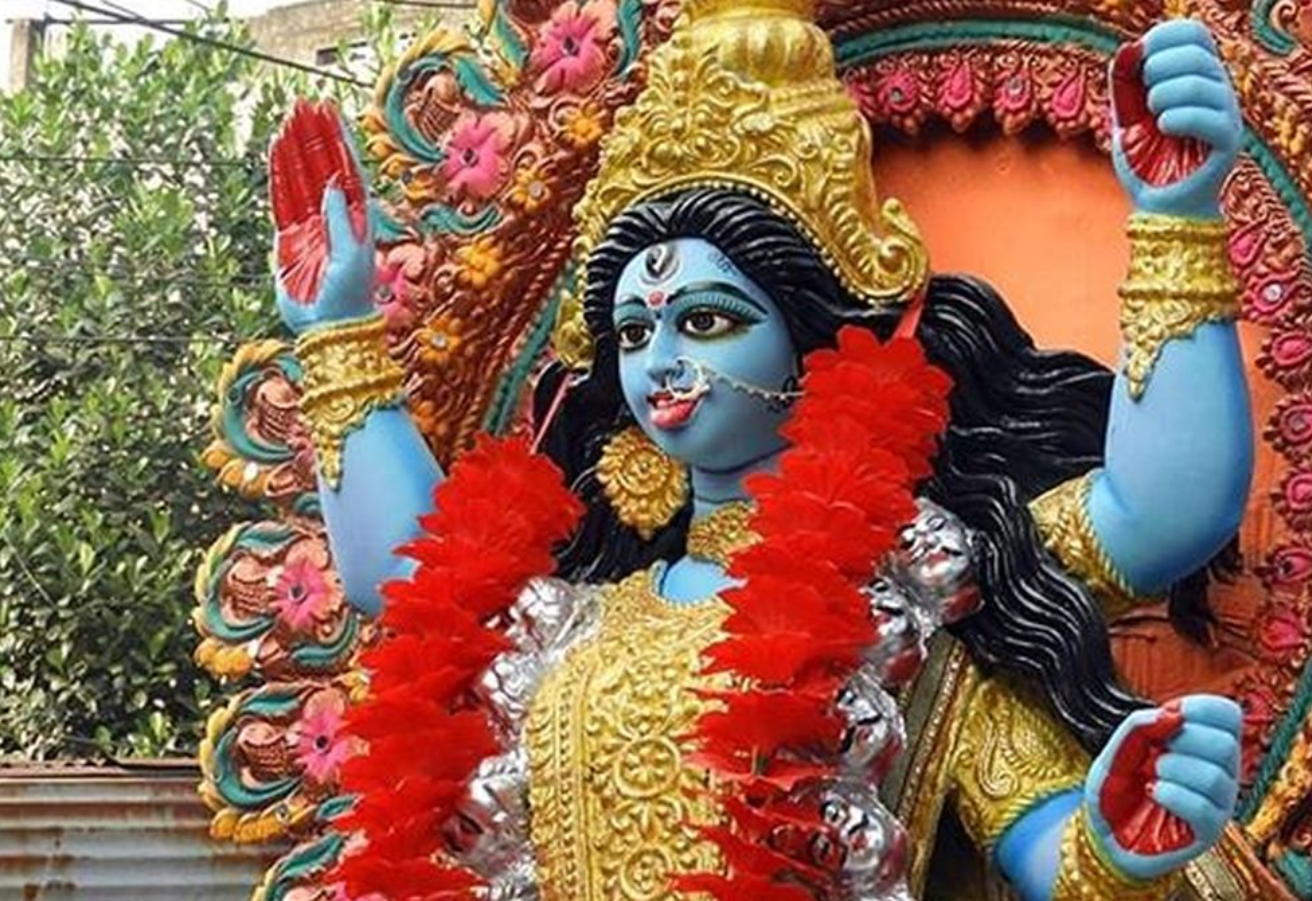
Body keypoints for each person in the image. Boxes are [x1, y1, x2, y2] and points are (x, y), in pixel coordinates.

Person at [268, 1, 1254, 898]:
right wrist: (335, 328)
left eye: (706, 321)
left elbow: (1159, 512)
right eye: (634, 333)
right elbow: (412, 579)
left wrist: (1176, 214)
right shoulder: (574, 619)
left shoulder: (907, 611)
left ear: (809, 341)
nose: (660, 361)